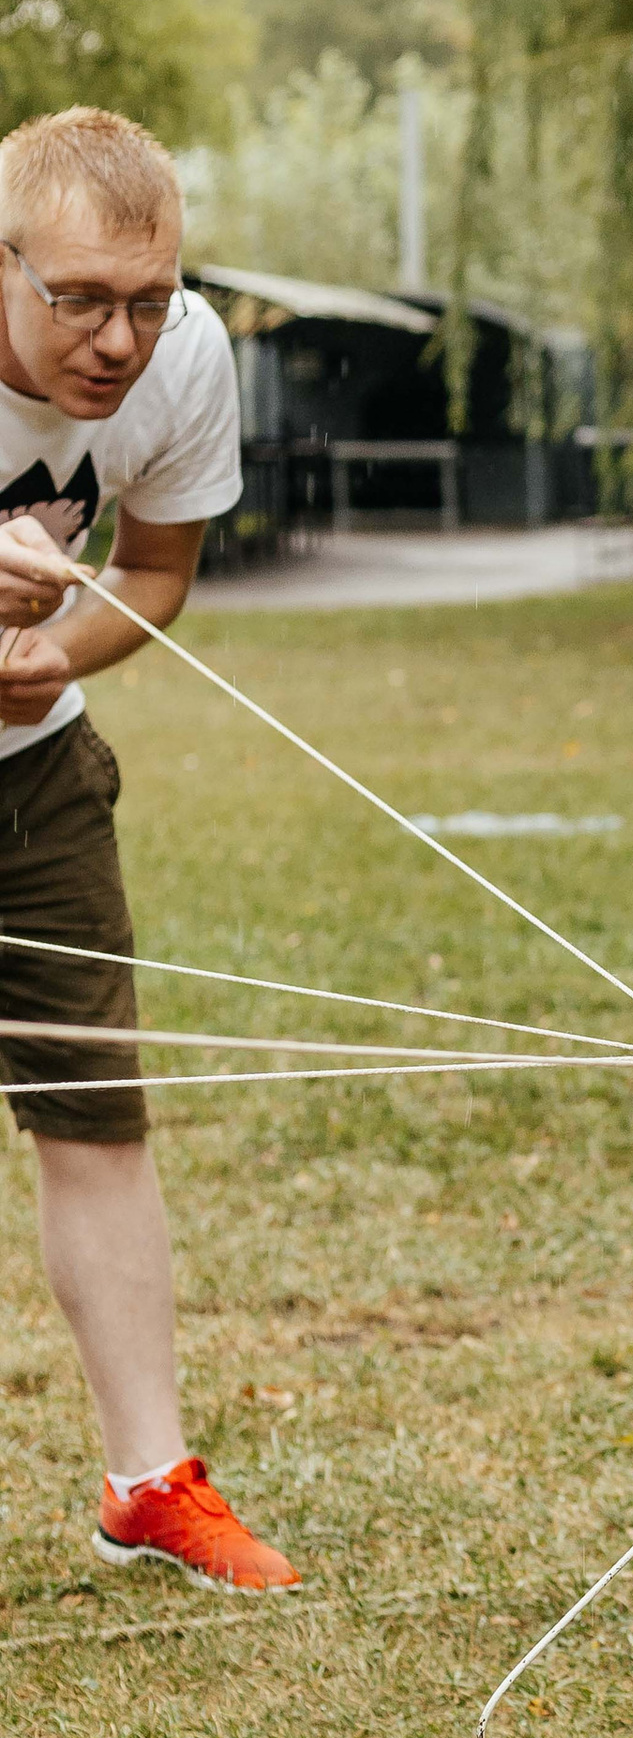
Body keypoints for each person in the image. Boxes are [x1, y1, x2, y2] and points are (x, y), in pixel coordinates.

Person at [0, 106, 297, 1592]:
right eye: (76, 300)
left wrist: (56, 657)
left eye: (150, 299)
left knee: (96, 1114)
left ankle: (149, 1482)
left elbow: (158, 569)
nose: (116, 342)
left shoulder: (184, 361)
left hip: (35, 780)